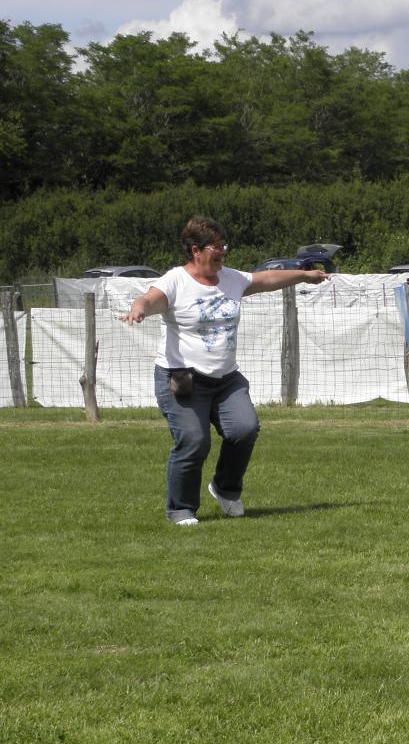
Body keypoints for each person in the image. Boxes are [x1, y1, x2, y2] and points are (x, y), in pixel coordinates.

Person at [123, 216, 328, 526]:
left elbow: (267, 279)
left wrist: (304, 275)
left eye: (223, 246)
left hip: (226, 379)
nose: (222, 252)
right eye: (215, 247)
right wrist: (139, 309)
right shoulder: (175, 281)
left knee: (244, 429)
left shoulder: (231, 278)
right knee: (194, 440)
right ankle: (181, 509)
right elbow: (151, 299)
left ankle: (225, 489)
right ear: (195, 250)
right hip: (182, 378)